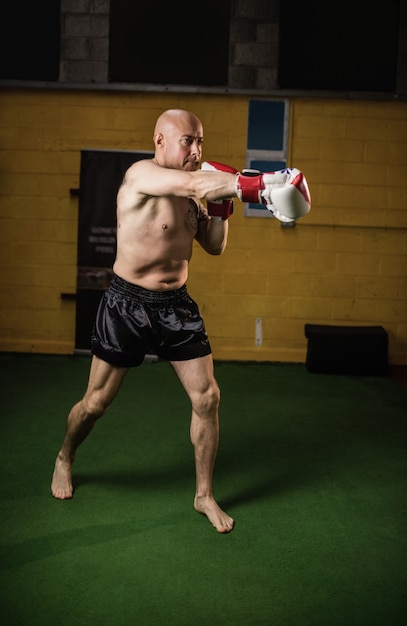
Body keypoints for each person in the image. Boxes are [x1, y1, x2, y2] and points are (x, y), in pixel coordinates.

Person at [51, 108, 310, 534]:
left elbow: (213, 246)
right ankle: (65, 456)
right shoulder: (142, 176)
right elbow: (192, 182)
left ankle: (203, 495)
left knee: (207, 397)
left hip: (176, 305)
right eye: (187, 140)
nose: (197, 149)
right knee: (95, 403)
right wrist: (262, 184)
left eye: (200, 141)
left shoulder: (196, 192)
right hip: (126, 303)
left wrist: (224, 205)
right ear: (160, 141)